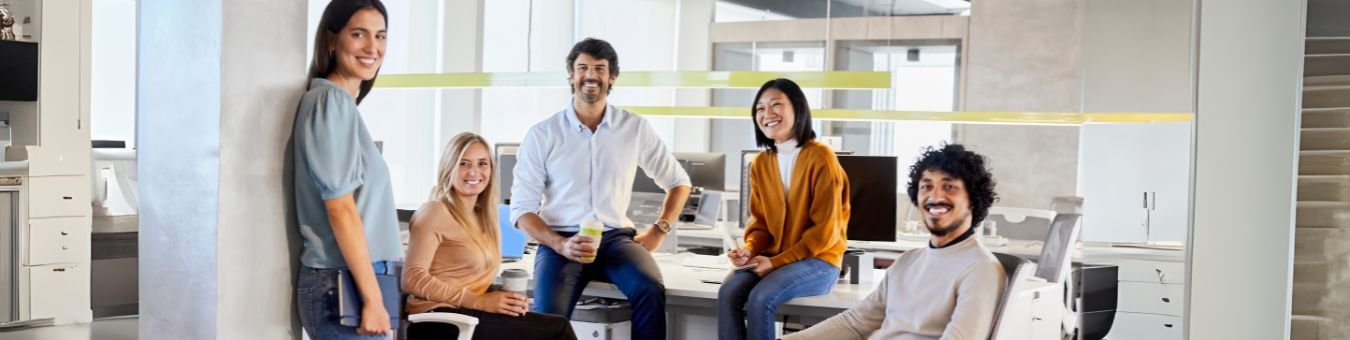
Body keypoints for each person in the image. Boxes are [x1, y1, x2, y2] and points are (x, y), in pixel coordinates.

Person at [510, 37, 691, 340]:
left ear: (611, 77)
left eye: (599, 68)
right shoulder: (543, 134)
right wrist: (559, 244)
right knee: (546, 319)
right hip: (562, 241)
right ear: (571, 75)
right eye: (582, 68)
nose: (590, 76)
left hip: (616, 240)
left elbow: (679, 182)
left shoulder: (634, 128)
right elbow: (522, 210)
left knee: (649, 289)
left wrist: (660, 229)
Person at [782, 144, 1007, 340]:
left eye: (949, 187)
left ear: (973, 199)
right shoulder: (908, 261)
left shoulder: (981, 269)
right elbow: (855, 323)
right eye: (926, 186)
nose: (935, 196)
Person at [292, 1, 401, 338]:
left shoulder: (341, 106)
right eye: (358, 34)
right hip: (346, 283)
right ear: (331, 40)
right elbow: (340, 208)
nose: (373, 47)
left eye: (380, 36)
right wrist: (372, 299)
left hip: (358, 277)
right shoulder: (331, 103)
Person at [403, 132, 577, 340]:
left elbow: (467, 281)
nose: (474, 172)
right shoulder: (435, 211)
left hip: (466, 315)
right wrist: (479, 301)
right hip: (440, 321)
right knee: (557, 329)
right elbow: (412, 278)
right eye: (464, 164)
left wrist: (500, 296)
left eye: (482, 163)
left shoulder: (482, 216)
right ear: (449, 167)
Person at [718, 78, 850, 340]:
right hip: (775, 258)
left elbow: (825, 232)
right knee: (727, 292)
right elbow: (761, 225)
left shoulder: (820, 156)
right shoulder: (760, 164)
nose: (767, 114)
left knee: (761, 297)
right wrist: (749, 250)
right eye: (760, 109)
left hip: (819, 261)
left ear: (798, 109)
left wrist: (776, 262)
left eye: (776, 105)